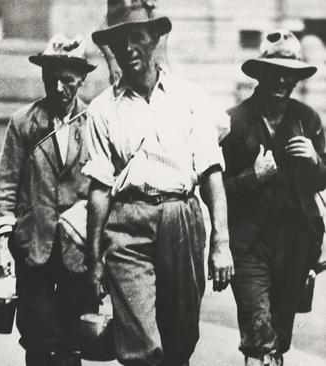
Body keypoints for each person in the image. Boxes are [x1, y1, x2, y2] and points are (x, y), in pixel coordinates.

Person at [84, 1, 234, 365]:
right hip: (127, 225)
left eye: (137, 37)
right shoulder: (102, 110)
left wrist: (221, 241)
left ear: (154, 39)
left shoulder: (189, 97)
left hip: (182, 219)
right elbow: (100, 189)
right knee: (140, 345)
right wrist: (94, 260)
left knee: (180, 340)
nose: (129, 49)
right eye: (120, 42)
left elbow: (211, 171)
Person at [0, 34, 97, 366]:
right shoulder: (24, 122)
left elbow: (107, 186)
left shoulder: (96, 122)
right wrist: (1, 244)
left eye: (67, 81)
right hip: (34, 245)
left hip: (78, 247)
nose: (59, 88)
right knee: (37, 337)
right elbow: (4, 184)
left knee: (72, 338)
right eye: (51, 79)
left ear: (81, 79)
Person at [221, 29, 326, 366]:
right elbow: (216, 190)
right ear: (260, 74)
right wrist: (254, 177)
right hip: (249, 243)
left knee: (278, 337)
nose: (281, 80)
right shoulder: (235, 123)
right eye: (274, 72)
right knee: (258, 334)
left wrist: (315, 159)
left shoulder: (307, 120)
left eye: (289, 74)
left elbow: (320, 181)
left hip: (295, 244)